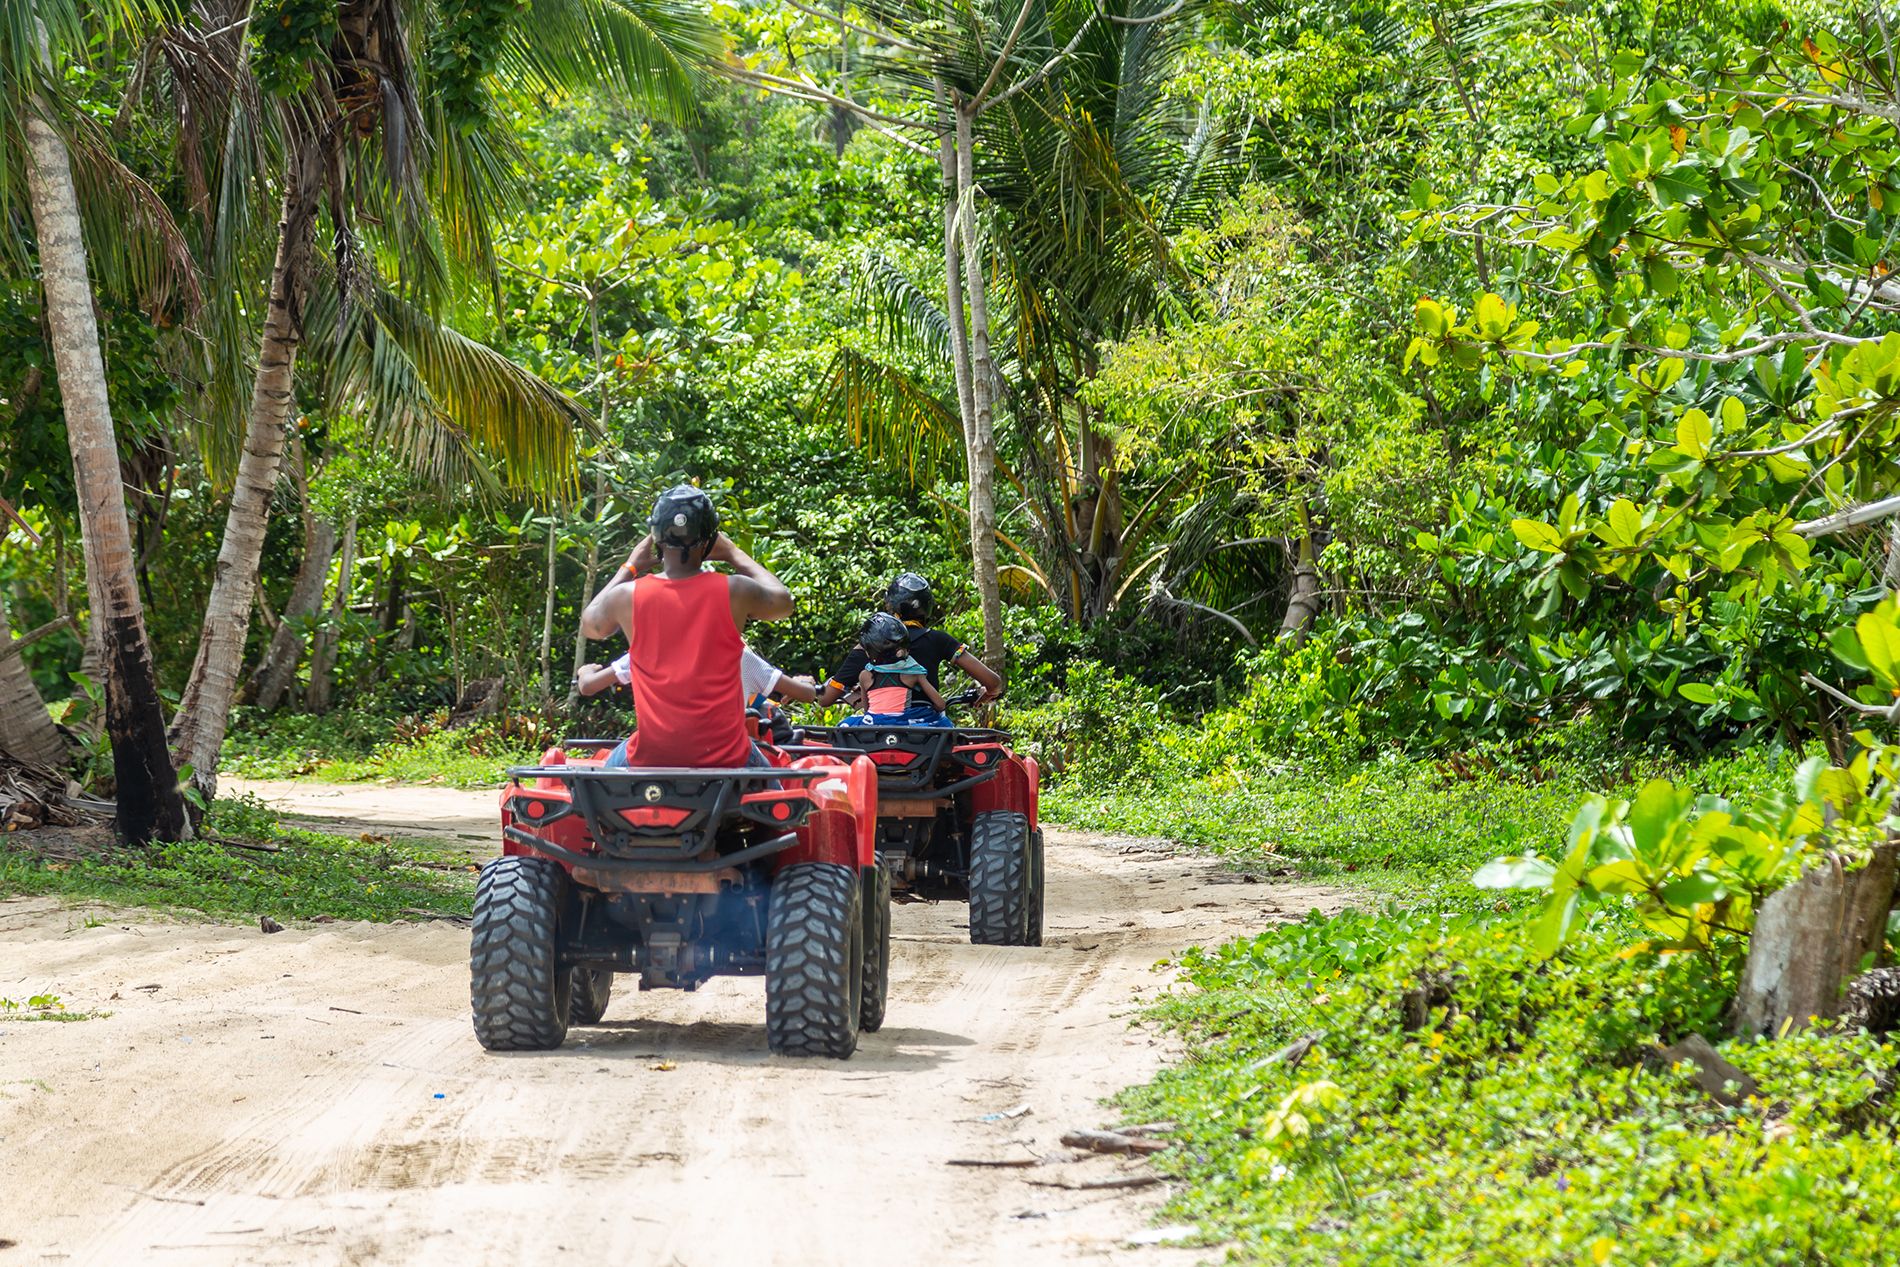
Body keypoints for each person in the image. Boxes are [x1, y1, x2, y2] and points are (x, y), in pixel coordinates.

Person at [578, 485, 792, 769]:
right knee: (780, 797)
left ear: (655, 539)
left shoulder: (626, 596)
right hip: (728, 758)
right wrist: (733, 553)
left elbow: (590, 625)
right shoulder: (735, 590)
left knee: (606, 781)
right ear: (711, 539)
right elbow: (784, 603)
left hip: (650, 757)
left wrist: (630, 566)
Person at [813, 573, 1002, 708]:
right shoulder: (938, 640)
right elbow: (993, 682)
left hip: (879, 732)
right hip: (928, 734)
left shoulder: (868, 645)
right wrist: (987, 694)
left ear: (891, 607)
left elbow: (826, 699)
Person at [838, 613, 952, 728]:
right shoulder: (913, 674)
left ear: (869, 651)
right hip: (904, 722)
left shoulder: (865, 676)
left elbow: (867, 710)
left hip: (875, 723)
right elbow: (940, 704)